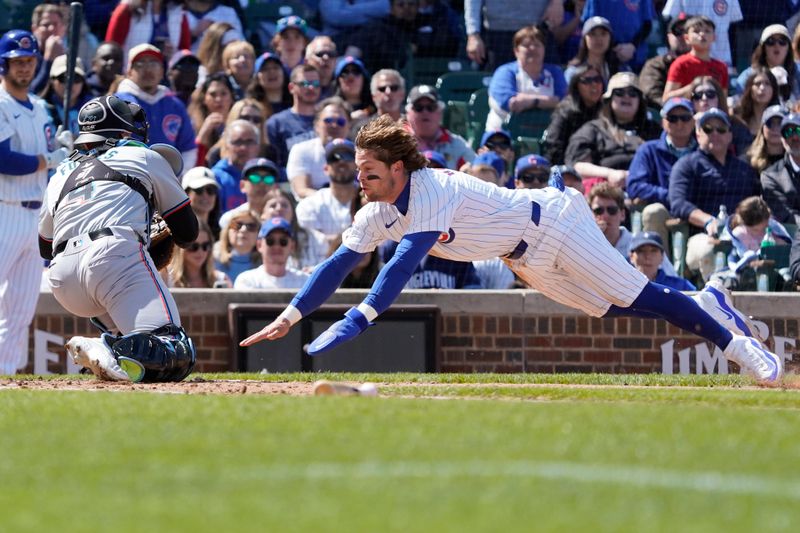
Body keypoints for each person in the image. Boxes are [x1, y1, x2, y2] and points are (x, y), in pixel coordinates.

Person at [240, 114, 783, 382]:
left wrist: (359, 319)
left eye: (370, 171)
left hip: (556, 222)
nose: (361, 180)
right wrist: (293, 314)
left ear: (399, 168)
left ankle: (739, 348)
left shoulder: (428, 189)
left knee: (638, 292)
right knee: (616, 306)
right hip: (522, 256)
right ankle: (707, 300)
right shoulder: (377, 209)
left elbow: (406, 261)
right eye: (358, 170)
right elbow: (340, 261)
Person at [39, 94, 199, 383]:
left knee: (137, 352)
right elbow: (188, 233)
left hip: (63, 279)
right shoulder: (144, 155)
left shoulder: (60, 172)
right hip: (113, 257)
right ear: (126, 133)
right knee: (174, 350)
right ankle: (107, 346)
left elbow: (44, 245)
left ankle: (116, 343)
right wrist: (147, 233)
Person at [0, 29, 70, 375]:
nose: (24, 68)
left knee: (22, 308)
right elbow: (4, 160)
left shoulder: (41, 107)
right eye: (18, 62)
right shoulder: (0, 104)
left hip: (35, 217)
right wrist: (49, 157)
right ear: (4, 64)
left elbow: (50, 152)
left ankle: (6, 372)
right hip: (5, 210)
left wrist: (63, 146)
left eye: (29, 61)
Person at [668, 108, 761, 282]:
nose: (715, 134)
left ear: (730, 136)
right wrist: (709, 221)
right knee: (709, 250)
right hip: (701, 236)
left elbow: (758, 204)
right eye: (708, 129)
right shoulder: (687, 165)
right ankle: (714, 303)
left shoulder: (744, 169)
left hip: (743, 235)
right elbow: (678, 203)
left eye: (721, 129)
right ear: (698, 134)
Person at [565, 72, 661, 190]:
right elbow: (578, 166)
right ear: (609, 99)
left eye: (632, 93)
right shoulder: (593, 129)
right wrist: (610, 174)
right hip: (606, 194)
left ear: (640, 101)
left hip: (649, 190)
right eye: (619, 93)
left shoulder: (654, 130)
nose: (626, 97)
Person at [115, 44, 197, 173]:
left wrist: (177, 179)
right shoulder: (116, 103)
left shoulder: (175, 105)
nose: (148, 69)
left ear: (162, 71)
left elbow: (188, 148)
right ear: (129, 71)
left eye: (154, 63)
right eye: (140, 63)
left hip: (168, 180)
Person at [627, 97, 697, 246]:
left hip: (696, 213)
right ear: (663, 122)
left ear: (693, 121)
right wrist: (672, 197)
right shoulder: (648, 150)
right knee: (654, 211)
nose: (679, 123)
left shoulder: (703, 152)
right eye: (672, 118)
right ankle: (659, 267)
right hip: (663, 211)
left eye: (685, 118)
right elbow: (634, 186)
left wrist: (685, 205)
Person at [485, 25, 567, 131]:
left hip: (546, 133)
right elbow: (512, 103)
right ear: (516, 51)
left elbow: (564, 101)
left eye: (537, 45)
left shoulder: (555, 72)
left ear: (544, 49)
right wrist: (550, 102)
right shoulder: (505, 72)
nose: (532, 49)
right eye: (526, 45)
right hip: (503, 137)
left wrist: (532, 101)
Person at [295, 139, 360, 251]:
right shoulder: (309, 205)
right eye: (334, 158)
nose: (341, 161)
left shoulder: (372, 201)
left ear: (357, 165)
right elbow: (312, 246)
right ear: (325, 168)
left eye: (348, 156)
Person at [464, 0, 564, 70]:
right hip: (498, 35)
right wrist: (473, 34)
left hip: (539, 30)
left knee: (552, 81)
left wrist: (557, 2)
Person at [287, 97, 352, 199]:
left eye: (340, 122)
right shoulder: (301, 151)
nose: (334, 125)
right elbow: (301, 190)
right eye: (328, 120)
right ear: (316, 125)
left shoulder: (358, 154)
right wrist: (334, 200)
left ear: (349, 126)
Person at [543, 63, 604, 165]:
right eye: (587, 81)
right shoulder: (565, 112)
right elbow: (554, 147)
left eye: (597, 79)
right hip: (569, 167)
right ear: (576, 86)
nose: (594, 84)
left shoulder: (607, 110)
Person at [404, 84, 475, 170]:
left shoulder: (456, 144)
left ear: (440, 112)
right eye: (418, 108)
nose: (425, 112)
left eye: (431, 107)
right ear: (408, 113)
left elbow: (476, 171)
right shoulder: (399, 143)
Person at [267, 64, 322, 171]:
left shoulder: (329, 120)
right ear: (291, 88)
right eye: (305, 83)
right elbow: (274, 165)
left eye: (316, 83)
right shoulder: (276, 123)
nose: (311, 88)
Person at [662, 16, 729, 102]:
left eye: (707, 31)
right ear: (686, 38)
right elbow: (666, 99)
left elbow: (723, 100)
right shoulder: (681, 64)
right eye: (696, 31)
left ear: (714, 37)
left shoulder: (721, 67)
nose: (702, 34)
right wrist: (693, 87)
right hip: (687, 113)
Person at [105, 0, 190, 66]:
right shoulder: (126, 9)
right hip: (130, 78)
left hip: (167, 81)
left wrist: (174, 55)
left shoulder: (179, 12)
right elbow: (111, 50)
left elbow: (184, 51)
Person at [234, 217, 311, 289]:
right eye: (270, 241)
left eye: (283, 241)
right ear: (259, 245)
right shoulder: (247, 280)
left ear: (292, 246)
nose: (277, 246)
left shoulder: (305, 281)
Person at [662, 0, 743, 69]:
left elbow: (733, 29)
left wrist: (734, 63)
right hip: (691, 59)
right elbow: (670, 20)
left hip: (721, 58)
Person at [689, 76, 752, 158]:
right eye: (698, 95)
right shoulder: (682, 123)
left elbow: (745, 156)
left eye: (710, 94)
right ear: (691, 100)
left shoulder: (736, 125)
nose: (704, 98)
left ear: (719, 98)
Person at [582, 0, 655, 71]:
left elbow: (647, 24)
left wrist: (632, 46)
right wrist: (615, 46)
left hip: (636, 57)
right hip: (607, 58)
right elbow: (590, 24)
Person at [639, 15, 690, 109]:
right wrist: (678, 109)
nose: (683, 36)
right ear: (668, 37)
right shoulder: (655, 65)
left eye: (687, 31)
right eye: (678, 32)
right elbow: (651, 95)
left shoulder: (707, 64)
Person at [735, 25, 798, 101]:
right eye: (771, 41)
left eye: (782, 41)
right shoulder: (748, 76)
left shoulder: (798, 71)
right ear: (763, 48)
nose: (777, 45)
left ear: (789, 48)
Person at [211, 120, 261, 212]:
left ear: (258, 146)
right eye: (238, 142)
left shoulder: (265, 176)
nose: (243, 148)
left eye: (249, 142)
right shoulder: (215, 177)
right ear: (226, 145)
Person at [761, 112, 800, 227]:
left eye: (798, 130)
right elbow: (787, 216)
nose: (794, 137)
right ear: (782, 140)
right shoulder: (771, 176)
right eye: (788, 133)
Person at [219, 157, 281, 229]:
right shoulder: (230, 219)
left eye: (268, 179)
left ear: (277, 187)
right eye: (255, 178)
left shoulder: (285, 216)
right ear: (242, 186)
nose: (262, 183)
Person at [39, 55, 94, 136]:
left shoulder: (95, 109)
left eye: (76, 78)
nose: (70, 84)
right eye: (63, 78)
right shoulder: (41, 108)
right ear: (52, 80)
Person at [168, 219, 231, 288]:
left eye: (205, 246)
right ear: (180, 247)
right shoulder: (167, 278)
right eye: (193, 246)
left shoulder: (221, 279)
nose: (200, 251)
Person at [189, 72, 234, 166]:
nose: (218, 99)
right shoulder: (192, 126)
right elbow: (191, 164)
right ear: (204, 99)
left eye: (223, 94)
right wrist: (203, 133)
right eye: (213, 94)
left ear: (231, 97)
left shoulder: (239, 123)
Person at [564, 16, 624, 84]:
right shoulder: (573, 72)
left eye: (603, 34)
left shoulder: (621, 71)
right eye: (593, 34)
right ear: (584, 39)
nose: (598, 38)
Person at [629, 232, 696, 291]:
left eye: (653, 250)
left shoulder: (682, 286)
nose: (648, 256)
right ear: (631, 256)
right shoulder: (622, 285)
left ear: (662, 257)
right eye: (641, 251)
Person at [215, 210, 262, 284]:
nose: (243, 230)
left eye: (251, 226)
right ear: (227, 231)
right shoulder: (211, 260)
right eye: (237, 225)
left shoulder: (266, 264)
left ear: (259, 233)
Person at [734, 68, 780, 136]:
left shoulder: (782, 119)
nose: (762, 88)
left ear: (773, 89)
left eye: (767, 84)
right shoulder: (737, 119)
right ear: (750, 89)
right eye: (757, 84)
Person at [247, 52, 292, 119]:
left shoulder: (295, 104)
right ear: (257, 77)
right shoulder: (251, 108)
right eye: (265, 69)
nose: (271, 72)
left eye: (275, 67)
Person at [182, 166, 221, 239]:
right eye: (199, 190)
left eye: (211, 190)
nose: (205, 195)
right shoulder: (175, 232)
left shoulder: (221, 233)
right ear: (185, 193)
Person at [333, 56, 375, 121]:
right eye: (345, 72)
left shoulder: (376, 106)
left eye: (356, 71)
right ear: (338, 81)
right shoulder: (330, 108)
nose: (351, 76)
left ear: (364, 79)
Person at [747, 105, 786, 175]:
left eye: (780, 123)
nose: (775, 128)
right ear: (762, 128)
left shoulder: (796, 160)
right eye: (770, 123)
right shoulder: (748, 161)